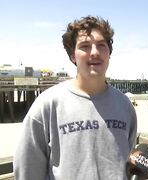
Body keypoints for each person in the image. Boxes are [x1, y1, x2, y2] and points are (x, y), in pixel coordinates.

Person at [14, 15, 137, 180]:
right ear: (72, 55)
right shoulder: (48, 105)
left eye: (101, 45)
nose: (94, 52)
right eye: (85, 46)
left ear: (109, 52)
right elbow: (27, 169)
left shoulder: (124, 105)